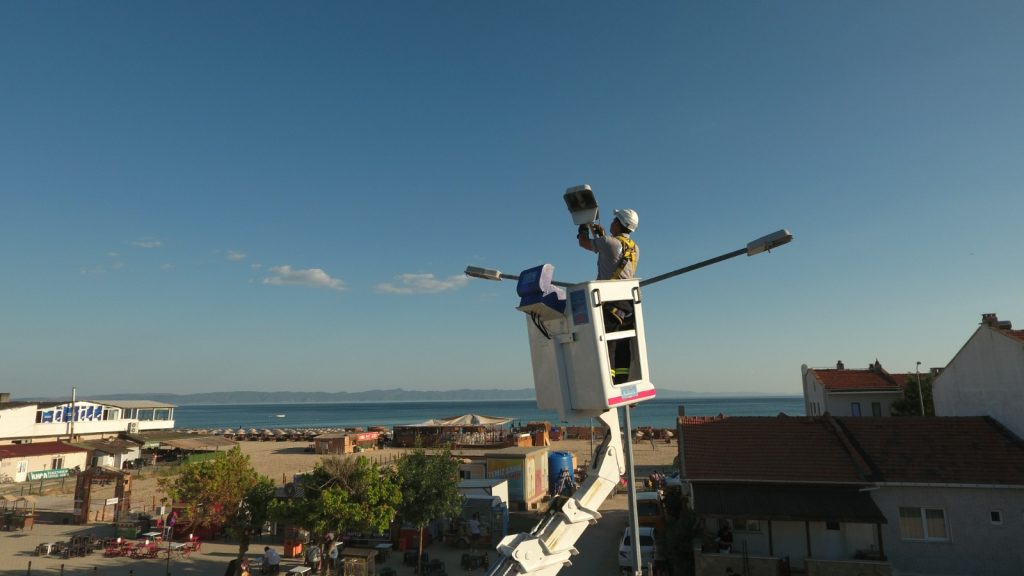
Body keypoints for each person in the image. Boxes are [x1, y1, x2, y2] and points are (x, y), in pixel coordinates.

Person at [577, 208, 640, 383]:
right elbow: (613, 253)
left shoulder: (608, 243)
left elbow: (584, 243)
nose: (611, 223)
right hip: (628, 304)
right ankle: (622, 382)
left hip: (610, 302)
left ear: (619, 224)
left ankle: (608, 383)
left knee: (607, 345)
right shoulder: (635, 247)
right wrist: (602, 235)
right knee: (622, 346)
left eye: (614, 220)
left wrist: (582, 225)